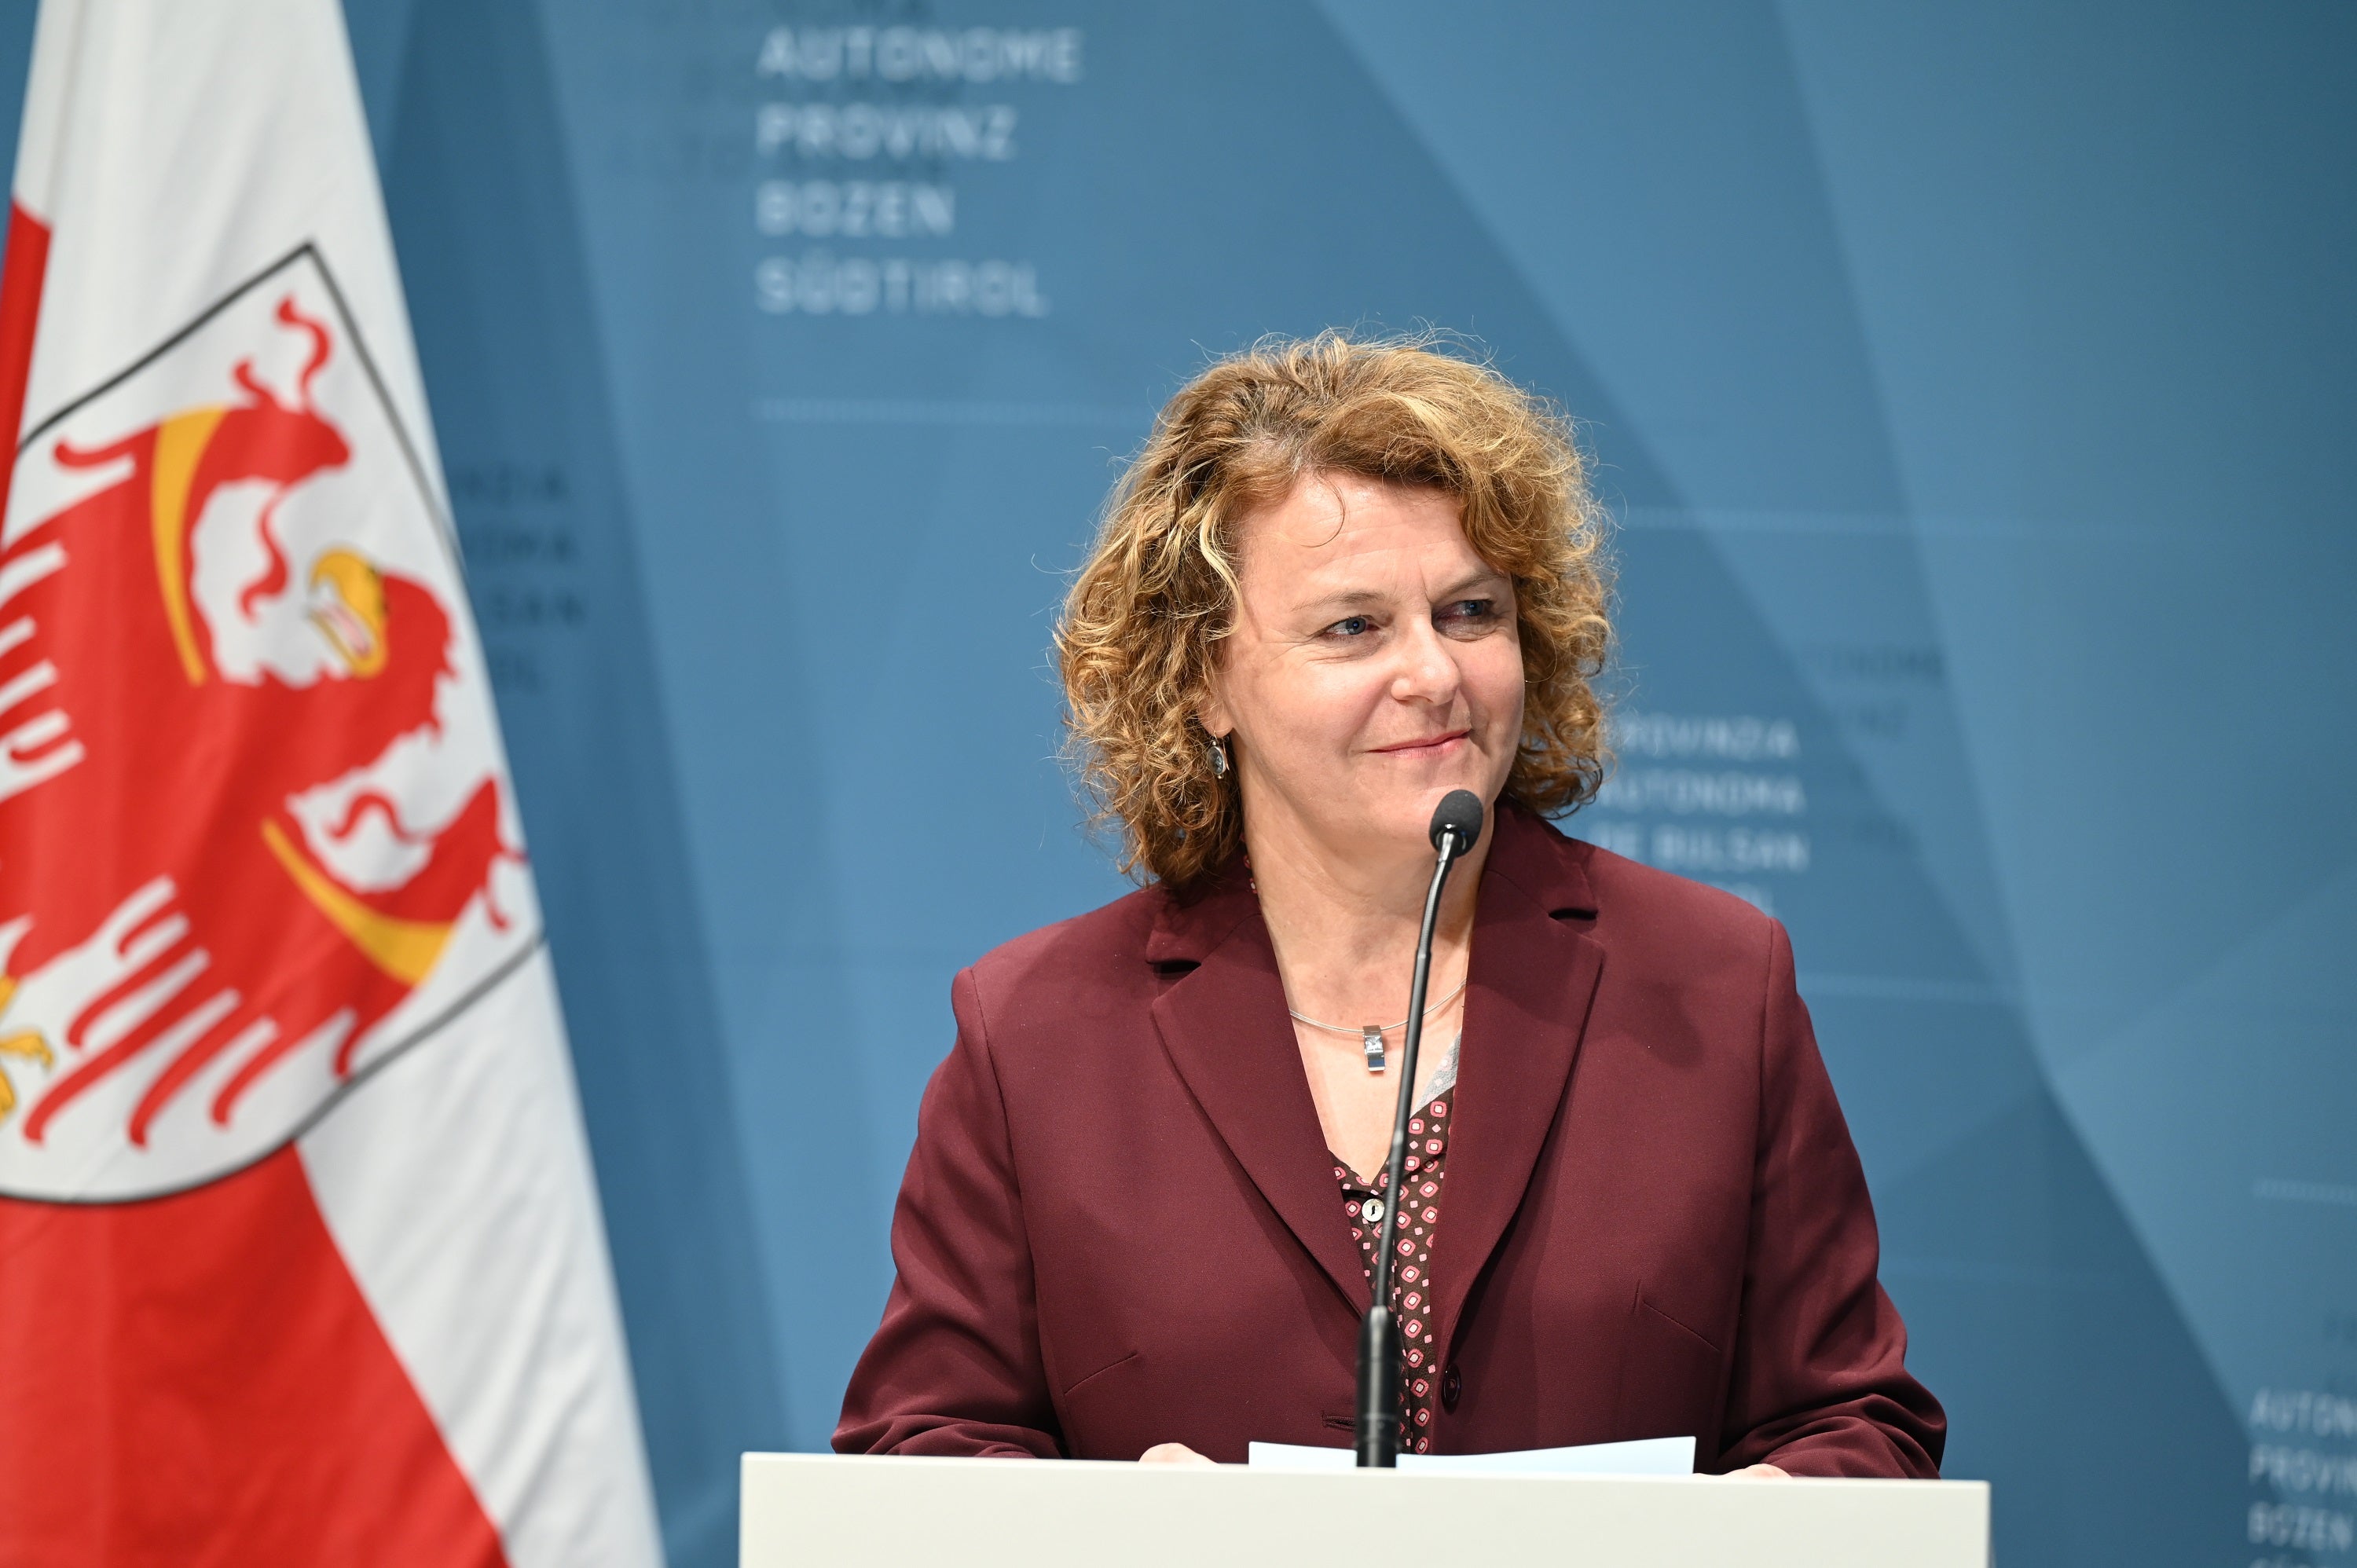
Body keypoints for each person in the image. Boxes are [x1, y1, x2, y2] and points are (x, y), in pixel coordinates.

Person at [834, 333, 1945, 1475]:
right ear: (1203, 678)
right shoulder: (1034, 1035)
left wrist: (1737, 1532)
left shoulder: (1714, 985)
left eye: (1471, 613)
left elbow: (1860, 1428)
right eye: (1352, 627)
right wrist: (1116, 1537)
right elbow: (922, 1445)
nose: (1434, 675)